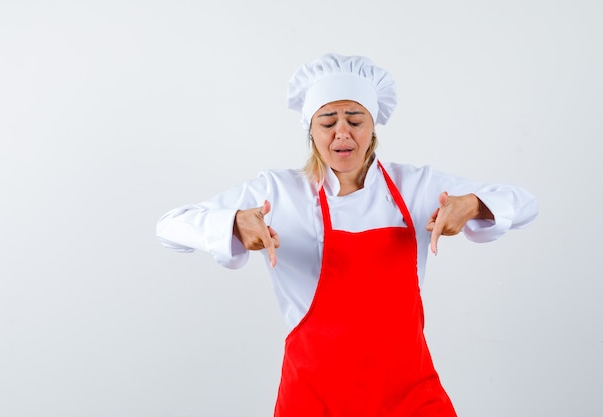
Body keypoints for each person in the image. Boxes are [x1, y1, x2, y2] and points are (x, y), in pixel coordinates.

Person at [156, 53, 538, 417]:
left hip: (409, 398)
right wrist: (233, 223)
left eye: (355, 120)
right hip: (313, 400)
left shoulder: (416, 187)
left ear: (373, 126)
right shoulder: (279, 192)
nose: (343, 132)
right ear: (311, 130)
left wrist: (472, 204)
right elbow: (169, 226)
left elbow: (524, 203)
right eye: (328, 122)